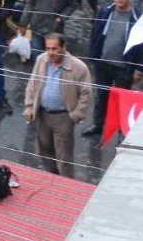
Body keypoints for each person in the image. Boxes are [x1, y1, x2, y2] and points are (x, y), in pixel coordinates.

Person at [84, 0, 143, 140]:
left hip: (124, 67)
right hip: (103, 63)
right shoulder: (105, 11)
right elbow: (95, 33)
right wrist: (93, 55)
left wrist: (139, 69)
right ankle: (98, 124)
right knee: (101, 95)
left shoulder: (138, 17)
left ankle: (123, 130)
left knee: (123, 99)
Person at [24, 32, 92, 178]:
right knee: (45, 149)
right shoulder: (42, 60)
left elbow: (86, 93)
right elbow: (33, 82)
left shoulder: (78, 67)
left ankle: (66, 186)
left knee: (64, 156)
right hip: (42, 114)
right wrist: (30, 106)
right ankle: (51, 179)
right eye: (48, 48)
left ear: (64, 47)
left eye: (54, 49)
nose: (50, 52)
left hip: (63, 117)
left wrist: (75, 115)